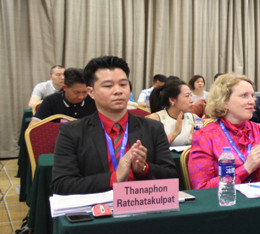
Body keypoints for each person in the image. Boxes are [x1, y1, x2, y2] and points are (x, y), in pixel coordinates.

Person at [51, 56, 177, 195]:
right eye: (108, 86)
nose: (118, 91)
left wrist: (143, 168)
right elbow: (62, 184)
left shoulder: (153, 128)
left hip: (143, 203)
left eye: (123, 84)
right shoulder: (72, 132)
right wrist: (114, 178)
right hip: (97, 206)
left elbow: (172, 176)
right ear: (91, 92)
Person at [188, 74, 260, 189]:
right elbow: (202, 189)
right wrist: (246, 168)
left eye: (252, 95)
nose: (252, 101)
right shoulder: (205, 136)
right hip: (226, 200)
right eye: (244, 95)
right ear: (224, 102)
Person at [32, 67, 96, 122]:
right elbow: (33, 128)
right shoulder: (50, 101)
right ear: (65, 88)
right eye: (77, 92)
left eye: (85, 92)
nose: (81, 96)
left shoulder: (94, 101)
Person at [146, 78, 196, 146]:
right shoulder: (156, 119)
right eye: (187, 96)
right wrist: (175, 132)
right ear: (172, 100)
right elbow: (152, 146)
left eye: (191, 95)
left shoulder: (193, 118)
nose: (192, 100)